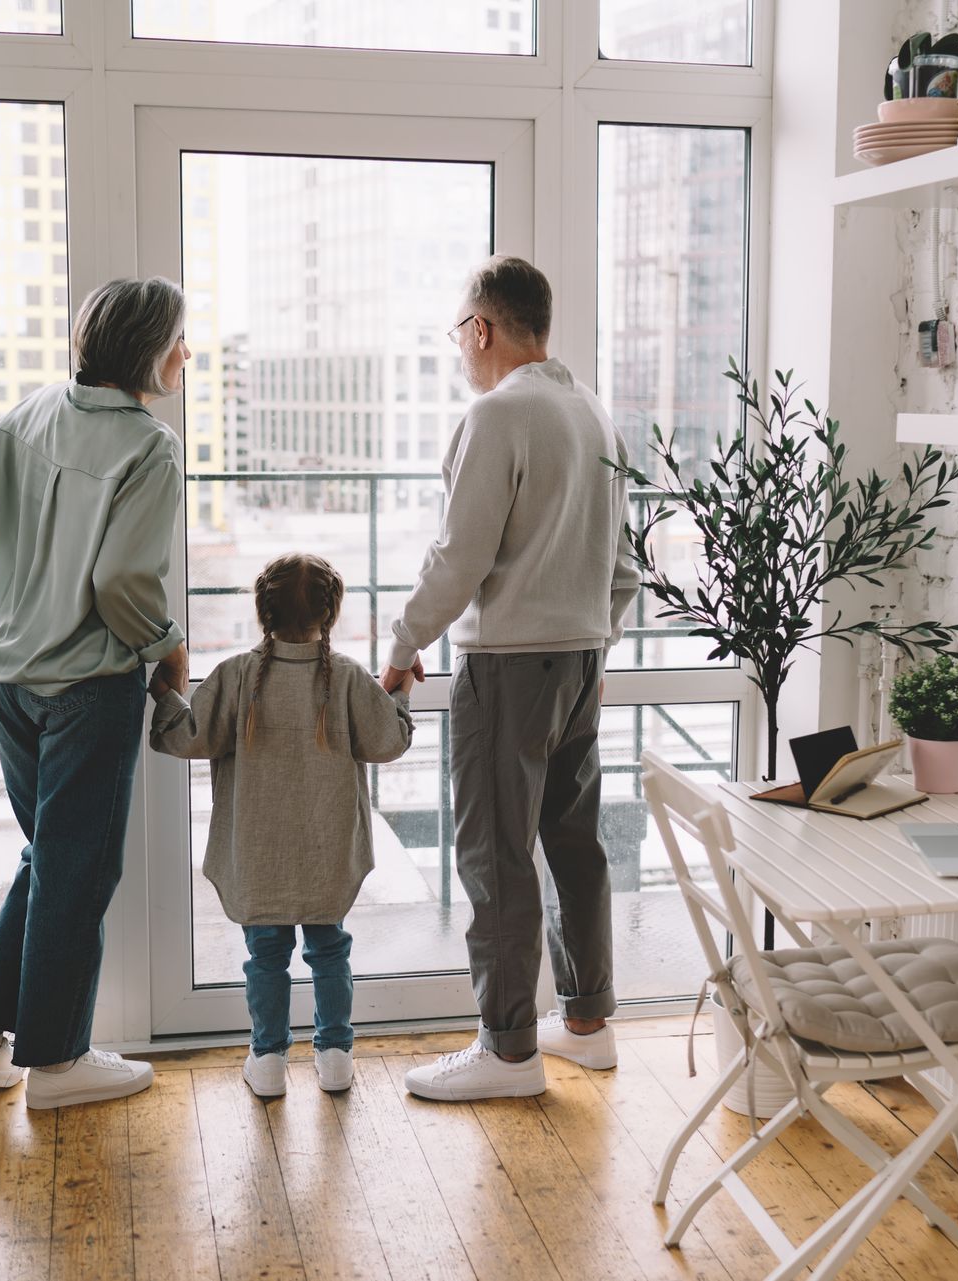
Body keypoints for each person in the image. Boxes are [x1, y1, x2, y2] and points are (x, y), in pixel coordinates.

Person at [381, 255, 641, 1102]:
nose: (460, 350)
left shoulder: (496, 416)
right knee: (573, 842)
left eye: (460, 333)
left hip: (506, 667)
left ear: (483, 329)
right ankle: (589, 1023)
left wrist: (402, 640)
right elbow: (628, 569)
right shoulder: (595, 415)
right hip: (580, 663)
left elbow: (461, 555)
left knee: (494, 851)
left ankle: (507, 1049)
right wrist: (594, 645)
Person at [0, 277, 190, 1109]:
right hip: (87, 683)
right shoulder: (148, 447)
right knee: (76, 870)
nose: (187, 355)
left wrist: (40, 518)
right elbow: (122, 578)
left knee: (50, 856)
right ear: (149, 349)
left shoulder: (31, 413)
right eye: (180, 340)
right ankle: (57, 1061)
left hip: (11, 675)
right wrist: (168, 646)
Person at [148, 553, 415, 1098]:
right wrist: (402, 691)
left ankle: (268, 1059)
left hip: (258, 855)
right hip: (326, 854)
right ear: (331, 612)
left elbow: (185, 737)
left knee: (265, 957)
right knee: (329, 950)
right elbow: (389, 740)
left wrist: (167, 692)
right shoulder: (344, 679)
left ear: (262, 610)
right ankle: (336, 1054)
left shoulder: (236, 676)